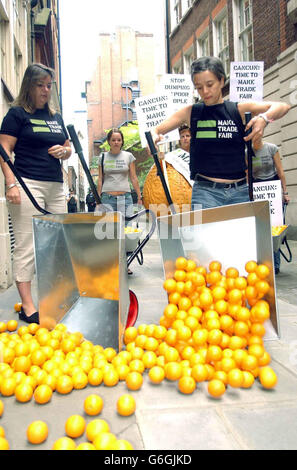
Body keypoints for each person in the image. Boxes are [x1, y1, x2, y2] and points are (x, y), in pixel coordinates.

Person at [152, 56, 291, 210]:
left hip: (240, 193)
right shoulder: (192, 112)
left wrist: (264, 118)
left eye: (210, 84)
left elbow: (282, 106)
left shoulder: (237, 109)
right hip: (205, 194)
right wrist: (154, 136)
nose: (205, 91)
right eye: (199, 87)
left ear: (221, 81)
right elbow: (156, 130)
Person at [0, 63, 72, 324]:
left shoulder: (55, 116)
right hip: (27, 183)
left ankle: (52, 300)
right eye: (40, 85)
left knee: (56, 245)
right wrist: (11, 183)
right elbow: (4, 149)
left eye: (49, 85)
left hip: (55, 185)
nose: (45, 90)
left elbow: (67, 146)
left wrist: (65, 152)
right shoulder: (17, 114)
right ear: (29, 86)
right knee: (27, 244)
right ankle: (28, 306)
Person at [97, 128, 142, 274]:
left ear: (122, 141)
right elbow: (100, 180)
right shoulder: (103, 157)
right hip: (107, 198)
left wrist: (139, 196)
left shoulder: (128, 156)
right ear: (109, 142)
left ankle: (125, 263)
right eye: (113, 140)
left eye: (119, 140)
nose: (116, 142)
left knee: (125, 232)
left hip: (125, 198)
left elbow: (133, 178)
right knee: (110, 232)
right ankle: (111, 264)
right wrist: (98, 201)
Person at [252, 136, 290, 274]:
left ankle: (276, 263)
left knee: (275, 227)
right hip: (258, 189)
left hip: (273, 188)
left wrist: (285, 192)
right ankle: (264, 262)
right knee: (261, 227)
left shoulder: (271, 148)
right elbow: (247, 175)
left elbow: (280, 172)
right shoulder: (247, 152)